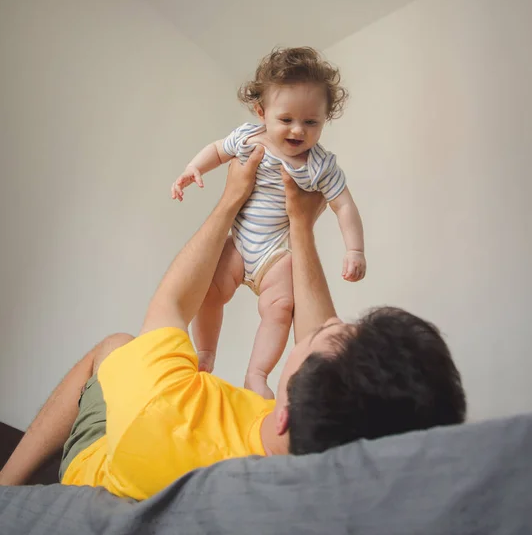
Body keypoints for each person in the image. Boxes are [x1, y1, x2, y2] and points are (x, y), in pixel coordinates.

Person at [0, 148, 466, 500]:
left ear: (284, 415)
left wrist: (231, 198)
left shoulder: (162, 405)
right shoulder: (320, 451)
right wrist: (299, 224)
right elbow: (319, 338)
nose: (327, 321)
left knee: (116, 345)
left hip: (112, 453)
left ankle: (5, 486)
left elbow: (172, 304)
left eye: (324, 333)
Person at [171, 47, 366, 399]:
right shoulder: (249, 137)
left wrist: (355, 249)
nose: (298, 131)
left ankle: (256, 374)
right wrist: (193, 168)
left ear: (324, 120)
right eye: (286, 119)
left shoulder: (320, 165)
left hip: (275, 255)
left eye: (311, 122)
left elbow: (345, 206)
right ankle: (206, 352)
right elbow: (217, 150)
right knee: (207, 292)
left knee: (281, 309)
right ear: (262, 112)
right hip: (239, 243)